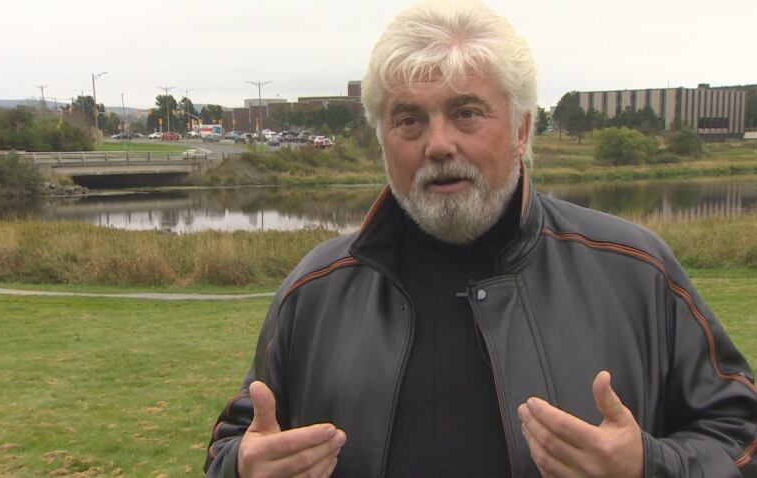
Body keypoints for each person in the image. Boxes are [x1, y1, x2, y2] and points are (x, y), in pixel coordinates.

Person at [204, 2, 757, 477]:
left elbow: (742, 433)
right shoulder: (316, 290)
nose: (438, 143)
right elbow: (234, 443)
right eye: (409, 120)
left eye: (466, 113)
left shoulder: (636, 271)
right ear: (382, 138)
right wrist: (244, 466)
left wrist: (648, 466)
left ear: (521, 130)